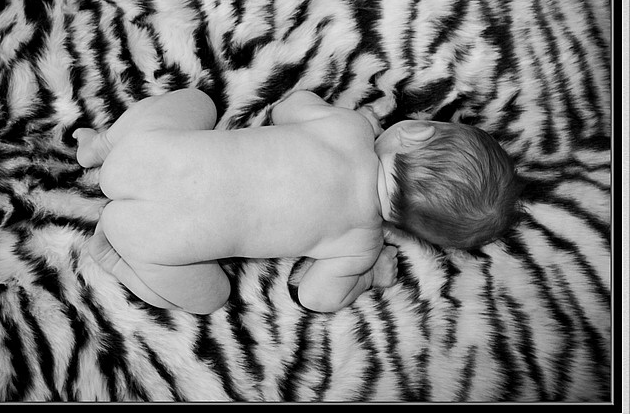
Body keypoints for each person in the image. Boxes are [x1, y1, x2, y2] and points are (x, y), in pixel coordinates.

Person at [74, 88, 523, 314]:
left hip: (138, 157)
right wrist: (368, 277)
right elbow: (316, 297)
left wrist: (337, 113)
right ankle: (116, 261)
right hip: (148, 238)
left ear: (414, 132)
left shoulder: (349, 129)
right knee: (212, 298)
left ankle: (103, 145)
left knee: (198, 102)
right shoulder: (359, 245)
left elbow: (288, 107)